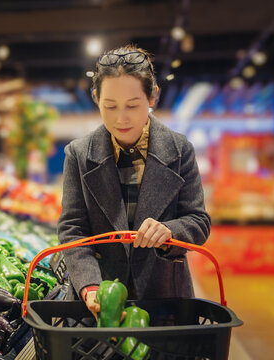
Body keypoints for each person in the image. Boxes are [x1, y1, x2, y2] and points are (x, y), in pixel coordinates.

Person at [57, 44, 211, 318]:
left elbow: (198, 221)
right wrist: (89, 286)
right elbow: (73, 229)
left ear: (153, 97)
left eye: (132, 105)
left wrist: (169, 231)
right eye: (110, 106)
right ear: (95, 98)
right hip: (99, 304)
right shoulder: (78, 155)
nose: (121, 118)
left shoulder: (179, 150)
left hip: (165, 300)